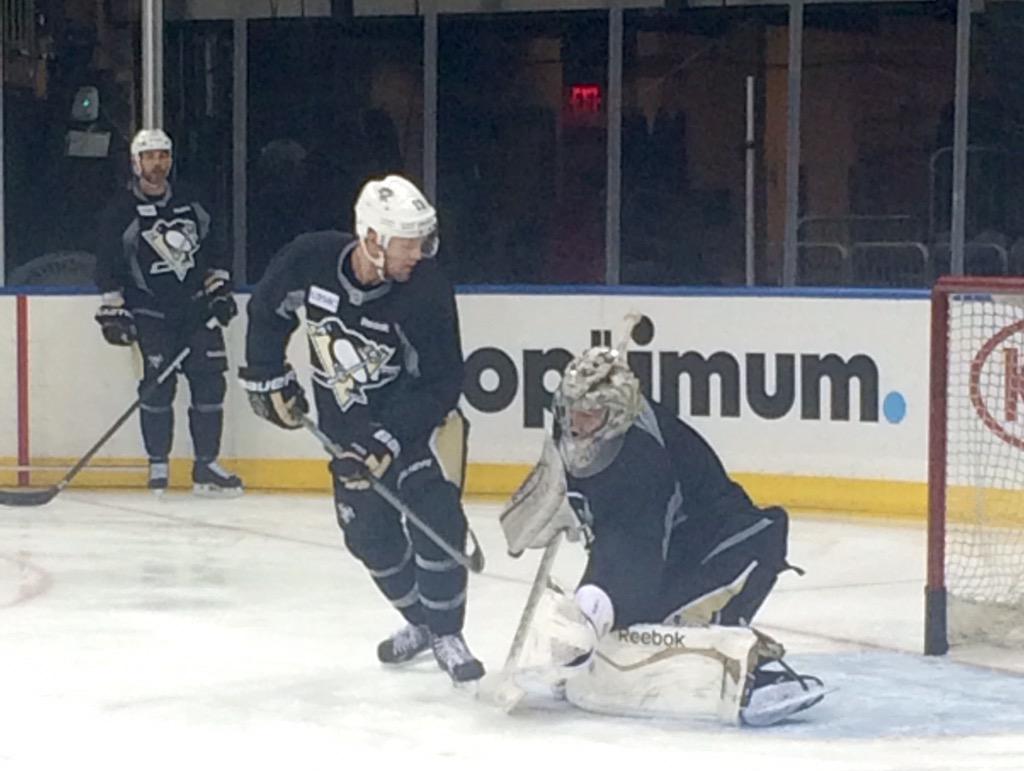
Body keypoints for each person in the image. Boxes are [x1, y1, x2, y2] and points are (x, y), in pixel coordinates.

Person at [497, 342, 825, 726]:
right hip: (668, 540)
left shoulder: (642, 458)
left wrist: (599, 610)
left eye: (588, 416)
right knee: (618, 615)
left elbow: (636, 554)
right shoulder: (579, 427)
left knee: (642, 614)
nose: (575, 424)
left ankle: (740, 666)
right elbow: (605, 530)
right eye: (572, 412)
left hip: (723, 543)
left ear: (616, 416)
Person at [239, 174, 484, 685]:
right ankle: (419, 622)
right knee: (367, 536)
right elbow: (266, 313)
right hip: (344, 433)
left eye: (423, 241)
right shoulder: (308, 260)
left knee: (436, 520)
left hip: (415, 428)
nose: (419, 253)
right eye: (408, 243)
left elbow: (442, 379)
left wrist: (388, 437)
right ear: (372, 239)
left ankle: (447, 632)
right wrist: (267, 375)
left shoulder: (426, 289)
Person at [94, 128, 243, 496]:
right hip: (150, 314)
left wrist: (219, 288)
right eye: (150, 157)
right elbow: (107, 263)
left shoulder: (192, 202)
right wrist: (114, 310)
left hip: (196, 311)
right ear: (136, 162)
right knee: (157, 389)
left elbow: (215, 247)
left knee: (210, 384)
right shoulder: (120, 210)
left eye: (163, 155)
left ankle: (206, 466)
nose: (157, 163)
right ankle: (158, 464)